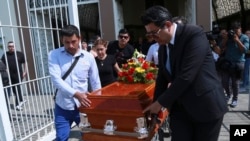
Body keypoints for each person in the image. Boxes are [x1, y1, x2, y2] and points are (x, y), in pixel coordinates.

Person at [141, 6, 228, 141]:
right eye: (149, 35)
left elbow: (187, 76)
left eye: (154, 33)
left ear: (168, 25)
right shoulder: (164, 46)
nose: (152, 38)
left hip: (206, 107)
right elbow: (162, 78)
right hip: (181, 109)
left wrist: (160, 103)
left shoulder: (193, 34)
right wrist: (155, 108)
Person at [48, 25, 101, 141]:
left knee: (89, 137)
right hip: (63, 106)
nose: (70, 46)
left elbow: (95, 82)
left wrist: (98, 103)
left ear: (79, 38)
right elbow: (56, 80)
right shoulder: (54, 55)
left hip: (83, 106)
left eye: (73, 41)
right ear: (62, 40)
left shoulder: (88, 57)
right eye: (67, 42)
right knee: (61, 138)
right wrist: (77, 94)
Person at [219, 22, 249, 107]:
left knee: (235, 83)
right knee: (224, 81)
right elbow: (221, 47)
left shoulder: (244, 37)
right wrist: (225, 39)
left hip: (238, 63)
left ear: (241, 29)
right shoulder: (229, 37)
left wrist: (237, 40)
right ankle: (228, 94)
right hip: (227, 62)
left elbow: (244, 50)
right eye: (234, 31)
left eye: (237, 31)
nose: (235, 33)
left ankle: (235, 99)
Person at [1, 41, 27, 111]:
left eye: (12, 46)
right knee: (13, 89)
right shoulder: (5, 55)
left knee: (17, 88)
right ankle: (21, 99)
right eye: (9, 46)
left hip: (19, 74)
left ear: (14, 46)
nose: (11, 48)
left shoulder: (19, 54)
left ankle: (18, 105)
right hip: (10, 75)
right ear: (7, 47)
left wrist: (25, 71)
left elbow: (25, 62)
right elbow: (3, 64)